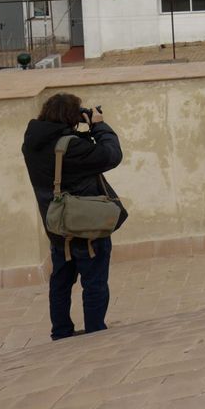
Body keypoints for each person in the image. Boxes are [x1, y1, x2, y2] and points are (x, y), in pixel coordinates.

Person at [22, 93, 125, 340]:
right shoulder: (72, 148)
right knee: (94, 282)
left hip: (57, 225)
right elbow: (111, 155)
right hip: (85, 225)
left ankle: (61, 332)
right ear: (70, 117)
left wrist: (80, 128)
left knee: (60, 282)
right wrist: (99, 126)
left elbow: (63, 147)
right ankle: (94, 333)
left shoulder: (32, 143)